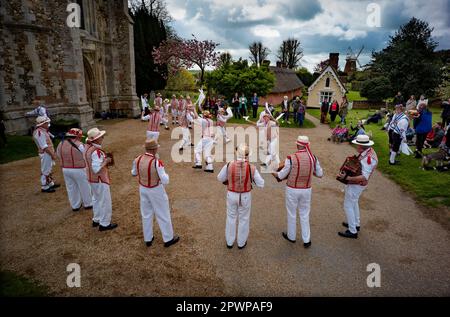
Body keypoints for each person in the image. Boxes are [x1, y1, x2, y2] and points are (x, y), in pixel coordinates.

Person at [273, 136, 323, 248]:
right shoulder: (313, 157)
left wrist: (273, 172)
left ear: (297, 145)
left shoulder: (291, 158)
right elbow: (320, 174)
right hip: (306, 189)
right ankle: (307, 239)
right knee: (305, 214)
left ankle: (292, 236)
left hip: (292, 189)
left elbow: (281, 175)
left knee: (292, 213)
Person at [132, 139, 180, 248]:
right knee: (163, 213)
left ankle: (148, 238)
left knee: (146, 213)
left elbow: (133, 173)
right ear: (154, 149)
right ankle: (168, 238)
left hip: (142, 188)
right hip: (155, 189)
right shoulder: (156, 162)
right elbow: (165, 180)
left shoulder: (137, 159)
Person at [217, 143, 265, 249]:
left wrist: (229, 178)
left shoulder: (229, 165)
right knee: (244, 218)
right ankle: (241, 243)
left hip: (232, 193)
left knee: (231, 217)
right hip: (245, 195)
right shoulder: (252, 168)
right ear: (247, 155)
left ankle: (229, 242)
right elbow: (261, 183)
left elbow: (220, 178)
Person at [337, 134, 378, 239]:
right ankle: (356, 224)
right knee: (354, 202)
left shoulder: (368, 158)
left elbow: (364, 176)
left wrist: (347, 178)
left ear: (361, 146)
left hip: (357, 185)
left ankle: (352, 231)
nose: (356, 147)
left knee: (348, 205)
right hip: (358, 184)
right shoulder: (368, 152)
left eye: (357, 145)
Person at [85, 128, 117, 231]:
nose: (102, 138)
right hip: (99, 179)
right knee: (105, 200)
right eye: (100, 137)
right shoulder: (96, 151)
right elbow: (96, 168)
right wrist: (106, 161)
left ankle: (97, 219)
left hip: (91, 179)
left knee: (96, 199)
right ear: (96, 140)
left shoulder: (87, 148)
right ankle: (105, 223)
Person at [56, 128, 92, 211]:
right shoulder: (79, 144)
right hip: (79, 168)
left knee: (71, 187)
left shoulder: (60, 144)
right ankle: (88, 203)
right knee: (84, 186)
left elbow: (58, 154)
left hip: (65, 169)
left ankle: (75, 205)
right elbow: (86, 155)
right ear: (77, 136)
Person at [32, 116, 60, 193]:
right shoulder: (39, 132)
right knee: (45, 170)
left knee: (48, 169)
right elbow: (44, 147)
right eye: (46, 123)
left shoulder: (43, 131)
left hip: (47, 153)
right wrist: (52, 155)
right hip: (46, 153)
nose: (48, 123)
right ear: (42, 124)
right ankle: (45, 186)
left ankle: (50, 183)